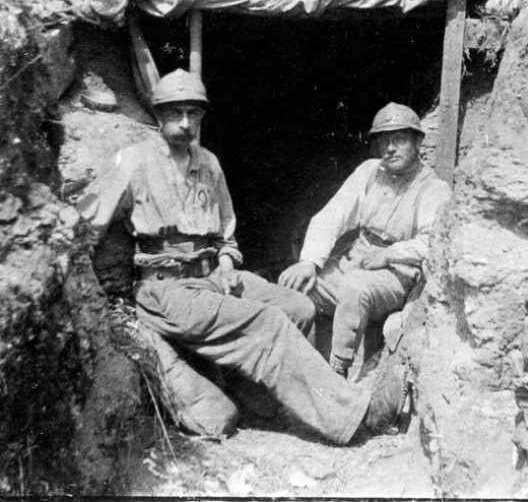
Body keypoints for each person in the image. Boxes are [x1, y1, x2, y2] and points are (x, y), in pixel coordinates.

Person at [78, 69, 405, 443]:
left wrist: (228, 262)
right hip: (166, 291)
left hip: (213, 278)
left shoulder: (210, 164)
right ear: (158, 114)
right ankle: (356, 417)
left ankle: (262, 405)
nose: (186, 124)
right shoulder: (133, 160)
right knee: (268, 323)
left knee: (298, 307)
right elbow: (85, 225)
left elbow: (226, 237)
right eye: (175, 113)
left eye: (194, 114)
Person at [279, 103, 451, 378]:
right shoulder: (370, 171)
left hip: (398, 273)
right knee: (296, 286)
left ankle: (337, 374)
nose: (390, 149)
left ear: (418, 142)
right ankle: (300, 371)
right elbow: (332, 216)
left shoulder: (434, 188)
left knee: (355, 288)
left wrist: (392, 253)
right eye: (383, 141)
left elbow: (432, 244)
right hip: (357, 258)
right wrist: (309, 262)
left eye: (399, 140)